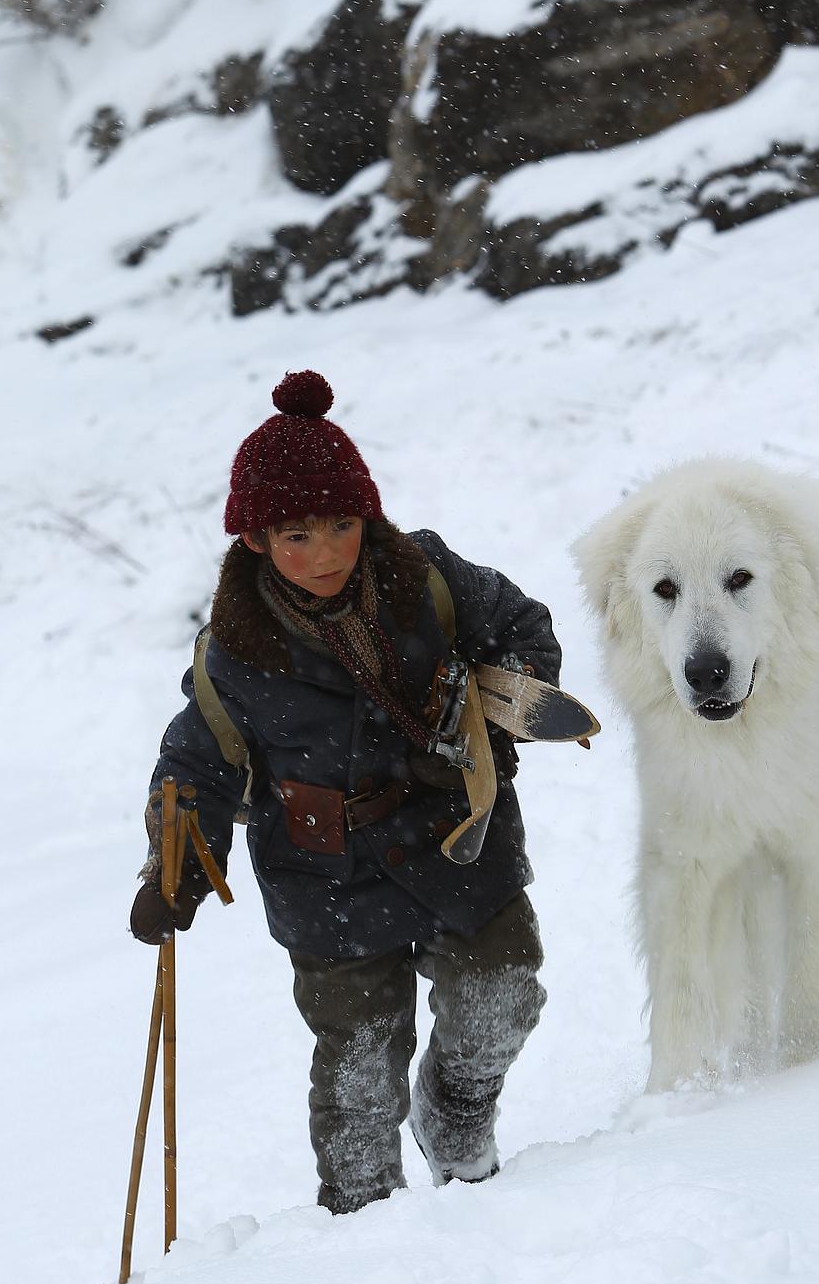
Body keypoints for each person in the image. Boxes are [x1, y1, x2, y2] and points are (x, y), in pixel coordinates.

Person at [130, 369, 561, 1215]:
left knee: (502, 995)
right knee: (359, 1071)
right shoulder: (233, 653)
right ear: (255, 539)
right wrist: (172, 861)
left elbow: (523, 631)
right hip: (326, 877)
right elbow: (195, 766)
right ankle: (358, 1226)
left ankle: (458, 1114)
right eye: (295, 533)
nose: (323, 551)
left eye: (339, 524)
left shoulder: (431, 580)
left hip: (454, 837)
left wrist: (491, 731)